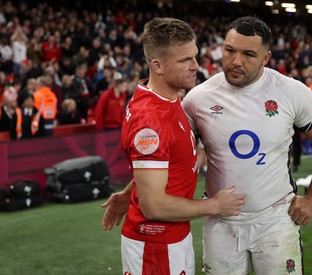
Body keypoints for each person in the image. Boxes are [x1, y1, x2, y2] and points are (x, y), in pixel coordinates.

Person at [182, 16, 312, 275]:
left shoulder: (291, 92)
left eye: (248, 54)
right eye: (230, 50)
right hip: (220, 222)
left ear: (266, 58)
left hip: (275, 218)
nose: (236, 61)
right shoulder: (197, 98)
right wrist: (133, 192)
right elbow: (168, 153)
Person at [101, 17, 246, 275]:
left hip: (168, 237)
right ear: (157, 65)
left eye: (194, 56)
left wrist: (131, 192)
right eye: (184, 60)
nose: (195, 66)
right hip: (155, 246)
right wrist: (214, 205)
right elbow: (154, 206)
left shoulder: (165, 98)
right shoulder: (151, 122)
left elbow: (158, 166)